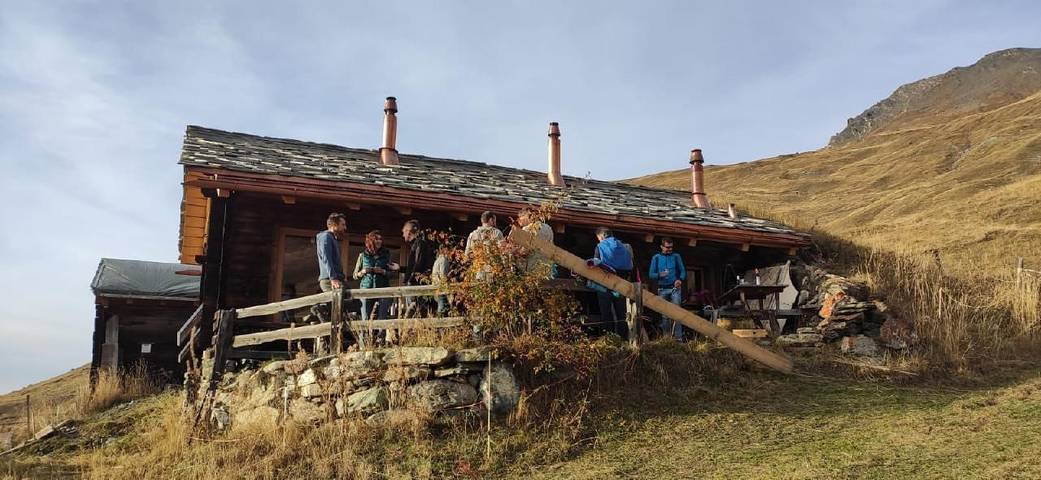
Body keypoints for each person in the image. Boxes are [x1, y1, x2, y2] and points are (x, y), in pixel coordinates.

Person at [592, 227, 633, 339]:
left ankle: (608, 338)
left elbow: (595, 263)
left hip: (604, 284)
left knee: (606, 313)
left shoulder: (600, 246)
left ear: (601, 236)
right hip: (621, 283)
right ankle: (623, 338)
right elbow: (630, 267)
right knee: (621, 313)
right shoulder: (624, 247)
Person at [352, 230, 399, 321]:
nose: (379, 241)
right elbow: (355, 275)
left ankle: (380, 335)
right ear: (370, 241)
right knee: (365, 318)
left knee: (382, 318)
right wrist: (363, 271)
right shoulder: (362, 256)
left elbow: (393, 274)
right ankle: (366, 335)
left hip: (383, 290)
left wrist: (383, 272)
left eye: (380, 239)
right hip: (366, 290)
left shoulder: (386, 255)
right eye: (376, 239)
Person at [649, 237, 687, 340]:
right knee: (665, 315)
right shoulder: (656, 258)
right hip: (662, 289)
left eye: (671, 247)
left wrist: (680, 279)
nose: (669, 249)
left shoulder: (676, 256)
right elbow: (651, 274)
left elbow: (683, 270)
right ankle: (667, 338)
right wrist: (659, 275)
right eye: (667, 247)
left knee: (677, 312)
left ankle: (678, 338)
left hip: (675, 288)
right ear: (661, 247)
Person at [401, 219, 436, 317]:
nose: (403, 235)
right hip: (415, 282)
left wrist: (410, 280)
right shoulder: (417, 244)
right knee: (414, 310)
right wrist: (399, 268)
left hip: (415, 284)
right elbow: (413, 266)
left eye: (404, 232)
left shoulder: (419, 244)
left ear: (408, 231)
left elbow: (418, 265)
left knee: (414, 310)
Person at [464, 211, 504, 282]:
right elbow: (503, 252)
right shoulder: (496, 233)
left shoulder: (472, 235)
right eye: (494, 220)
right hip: (493, 271)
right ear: (491, 220)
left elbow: (467, 255)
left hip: (478, 271)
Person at [517, 206, 555, 278]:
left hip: (532, 269)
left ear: (526, 216)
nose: (520, 221)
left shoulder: (527, 229)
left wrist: (514, 252)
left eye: (520, 217)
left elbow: (524, 251)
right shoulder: (548, 228)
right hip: (546, 270)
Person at [316, 213, 348, 293]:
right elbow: (326, 259)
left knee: (353, 301)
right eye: (342, 225)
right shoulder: (326, 237)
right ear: (334, 225)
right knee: (337, 304)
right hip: (330, 281)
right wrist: (333, 278)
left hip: (337, 279)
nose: (345, 227)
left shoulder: (333, 239)